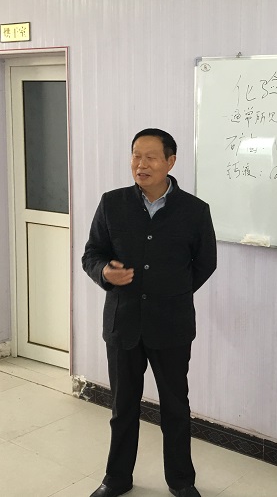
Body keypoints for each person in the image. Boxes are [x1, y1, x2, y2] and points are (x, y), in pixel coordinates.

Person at [82, 128, 217, 497]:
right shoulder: (112, 203)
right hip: (123, 322)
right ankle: (116, 479)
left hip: (171, 325)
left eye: (150, 157)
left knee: (175, 408)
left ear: (170, 162)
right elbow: (92, 254)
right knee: (122, 407)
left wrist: (171, 292)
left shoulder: (194, 211)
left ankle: (181, 482)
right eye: (135, 156)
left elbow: (205, 263)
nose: (140, 164)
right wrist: (104, 273)